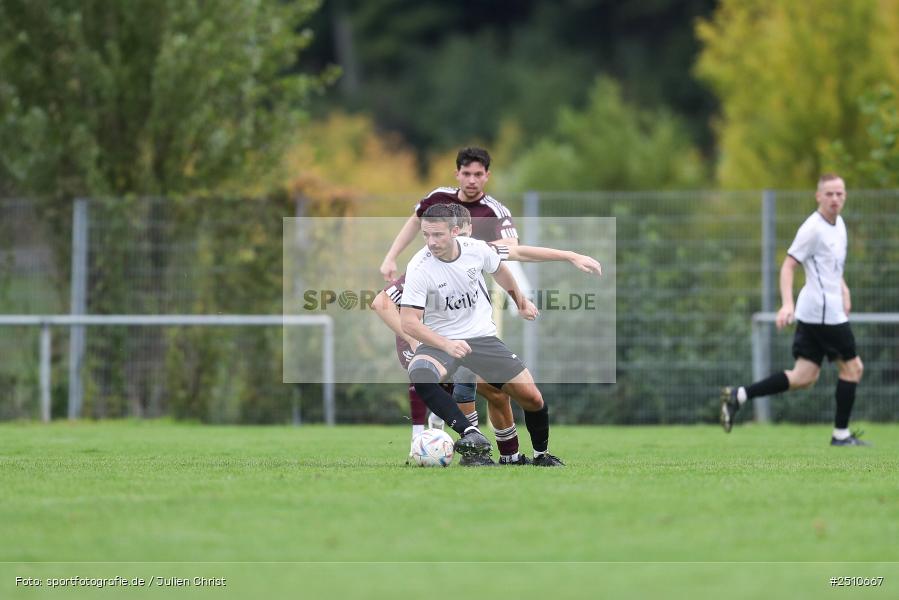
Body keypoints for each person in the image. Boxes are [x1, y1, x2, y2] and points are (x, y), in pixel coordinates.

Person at [373, 204, 601, 465]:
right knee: (421, 373)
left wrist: (521, 299)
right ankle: (470, 435)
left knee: (532, 398)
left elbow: (506, 264)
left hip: (482, 338)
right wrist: (446, 344)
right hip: (441, 342)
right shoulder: (419, 267)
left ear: (456, 231)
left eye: (438, 235)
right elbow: (410, 323)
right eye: (426, 235)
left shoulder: (476, 249)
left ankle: (541, 456)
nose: (431, 242)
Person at [721, 174, 869, 446]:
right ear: (818, 196)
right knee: (854, 369)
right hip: (825, 315)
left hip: (818, 312)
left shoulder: (840, 225)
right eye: (829, 194)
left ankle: (739, 395)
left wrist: (844, 289)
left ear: (845, 195)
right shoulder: (812, 229)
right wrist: (787, 304)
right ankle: (841, 435)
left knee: (803, 377)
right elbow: (789, 265)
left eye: (839, 193)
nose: (835, 199)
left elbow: (831, 268)